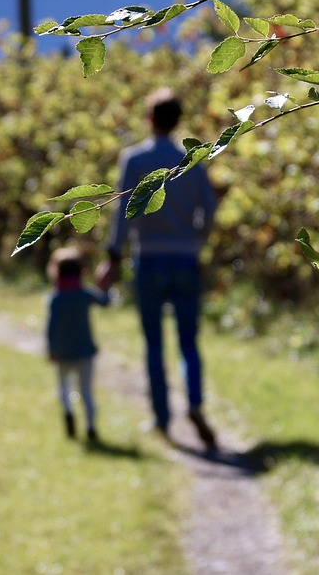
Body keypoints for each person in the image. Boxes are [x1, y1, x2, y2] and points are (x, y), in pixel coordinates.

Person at [97, 87, 219, 450]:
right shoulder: (191, 161)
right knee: (188, 343)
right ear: (178, 121)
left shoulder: (134, 160)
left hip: (148, 259)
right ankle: (195, 403)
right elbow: (209, 209)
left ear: (150, 119)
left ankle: (163, 417)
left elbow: (123, 215)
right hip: (185, 258)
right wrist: (197, 241)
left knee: (153, 343)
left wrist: (113, 258)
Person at [45, 245, 113, 443]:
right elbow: (105, 302)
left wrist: (51, 349)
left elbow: (50, 328)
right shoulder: (85, 294)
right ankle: (91, 427)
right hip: (85, 352)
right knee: (86, 392)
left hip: (63, 353)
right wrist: (104, 283)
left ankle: (68, 414)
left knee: (64, 389)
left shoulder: (55, 299)